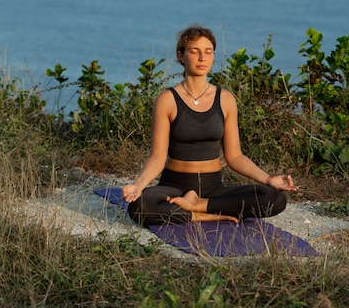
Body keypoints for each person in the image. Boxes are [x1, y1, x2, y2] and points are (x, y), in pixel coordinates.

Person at [122, 25, 298, 226]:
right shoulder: (167, 100)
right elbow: (157, 156)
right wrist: (138, 185)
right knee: (140, 205)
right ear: (181, 56)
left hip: (213, 188)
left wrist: (269, 179)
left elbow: (235, 157)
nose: (202, 58)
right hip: (174, 185)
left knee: (274, 198)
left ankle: (199, 205)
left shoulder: (225, 99)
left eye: (208, 52)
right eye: (194, 51)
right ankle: (202, 214)